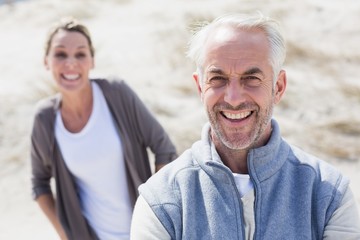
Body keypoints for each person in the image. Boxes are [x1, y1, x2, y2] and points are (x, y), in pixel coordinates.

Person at [130, 13, 360, 239]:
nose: (233, 98)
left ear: (278, 87)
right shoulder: (161, 201)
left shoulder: (328, 195)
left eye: (251, 78)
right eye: (217, 79)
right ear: (200, 88)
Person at [30, 17, 177, 240]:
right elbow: (39, 183)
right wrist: (64, 233)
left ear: (92, 61)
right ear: (46, 61)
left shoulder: (116, 94)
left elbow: (164, 149)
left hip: (146, 233)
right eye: (60, 54)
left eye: (80, 54)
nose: (71, 62)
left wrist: (157, 215)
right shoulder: (45, 119)